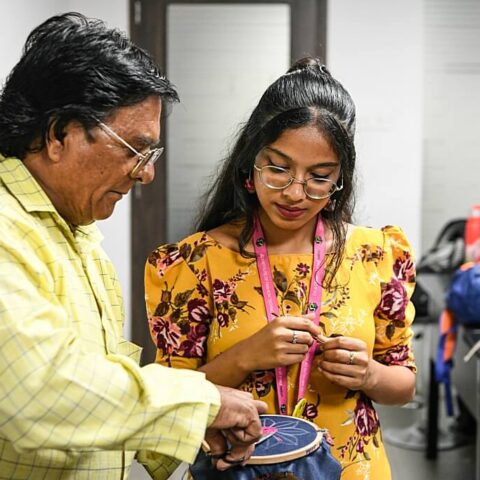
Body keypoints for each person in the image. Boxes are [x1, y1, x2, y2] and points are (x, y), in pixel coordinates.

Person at [0, 12, 267, 480]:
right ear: (59, 134)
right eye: (134, 149)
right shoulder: (7, 230)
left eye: (152, 154)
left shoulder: (78, 235)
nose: (146, 174)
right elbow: (41, 393)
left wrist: (194, 436)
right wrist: (202, 405)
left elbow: (100, 400)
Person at [145, 58, 417, 479]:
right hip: (239, 468)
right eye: (278, 168)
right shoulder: (195, 262)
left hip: (350, 468)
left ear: (339, 181)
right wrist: (244, 356)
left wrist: (370, 374)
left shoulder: (375, 254)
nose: (294, 193)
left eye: (319, 176)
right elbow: (168, 398)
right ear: (250, 166)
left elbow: (404, 385)